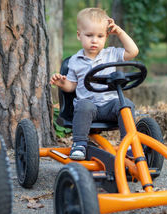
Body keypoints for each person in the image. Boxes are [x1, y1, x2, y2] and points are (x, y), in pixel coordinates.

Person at [50, 8, 139, 160]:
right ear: (79, 35)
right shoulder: (75, 61)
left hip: (109, 106)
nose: (94, 40)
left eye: (100, 36)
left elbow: (133, 51)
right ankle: (79, 144)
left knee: (125, 104)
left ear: (106, 36)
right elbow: (71, 86)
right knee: (84, 105)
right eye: (89, 35)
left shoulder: (110, 54)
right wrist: (62, 83)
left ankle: (129, 144)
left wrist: (120, 33)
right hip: (89, 108)